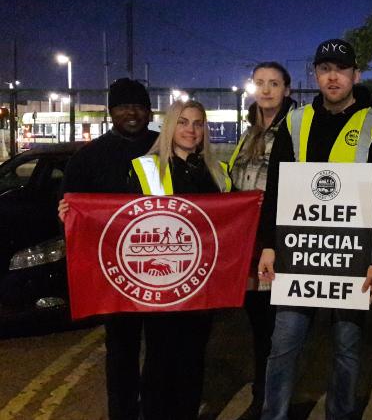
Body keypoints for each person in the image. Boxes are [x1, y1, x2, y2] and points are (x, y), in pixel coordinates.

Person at [257, 38, 372, 420]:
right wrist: (269, 244)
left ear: (356, 74)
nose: (332, 76)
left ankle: (340, 414)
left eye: (340, 69)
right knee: (284, 344)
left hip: (355, 259)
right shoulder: (295, 121)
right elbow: (276, 188)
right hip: (298, 254)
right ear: (316, 74)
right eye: (324, 69)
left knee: (347, 348)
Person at [59, 78, 157, 420]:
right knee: (121, 352)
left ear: (149, 111)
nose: (132, 112)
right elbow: (71, 207)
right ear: (111, 111)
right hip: (115, 274)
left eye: (139, 106)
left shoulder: (165, 148)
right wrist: (66, 213)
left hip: (161, 268)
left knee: (161, 351)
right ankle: (124, 413)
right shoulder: (89, 158)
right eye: (123, 106)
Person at [127, 99, 231, 419]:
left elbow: (231, 223)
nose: (191, 130)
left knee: (193, 360)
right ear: (171, 126)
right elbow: (118, 220)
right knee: (160, 361)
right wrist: (72, 212)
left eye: (198, 124)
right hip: (162, 288)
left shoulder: (218, 173)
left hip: (202, 285)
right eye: (184, 122)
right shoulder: (145, 168)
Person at [226, 62, 296, 419]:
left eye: (274, 83)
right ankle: (264, 393)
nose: (266, 90)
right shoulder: (249, 131)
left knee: (276, 329)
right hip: (248, 244)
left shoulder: (295, 130)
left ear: (286, 89)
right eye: (260, 83)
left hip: (277, 242)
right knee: (258, 326)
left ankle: (270, 401)